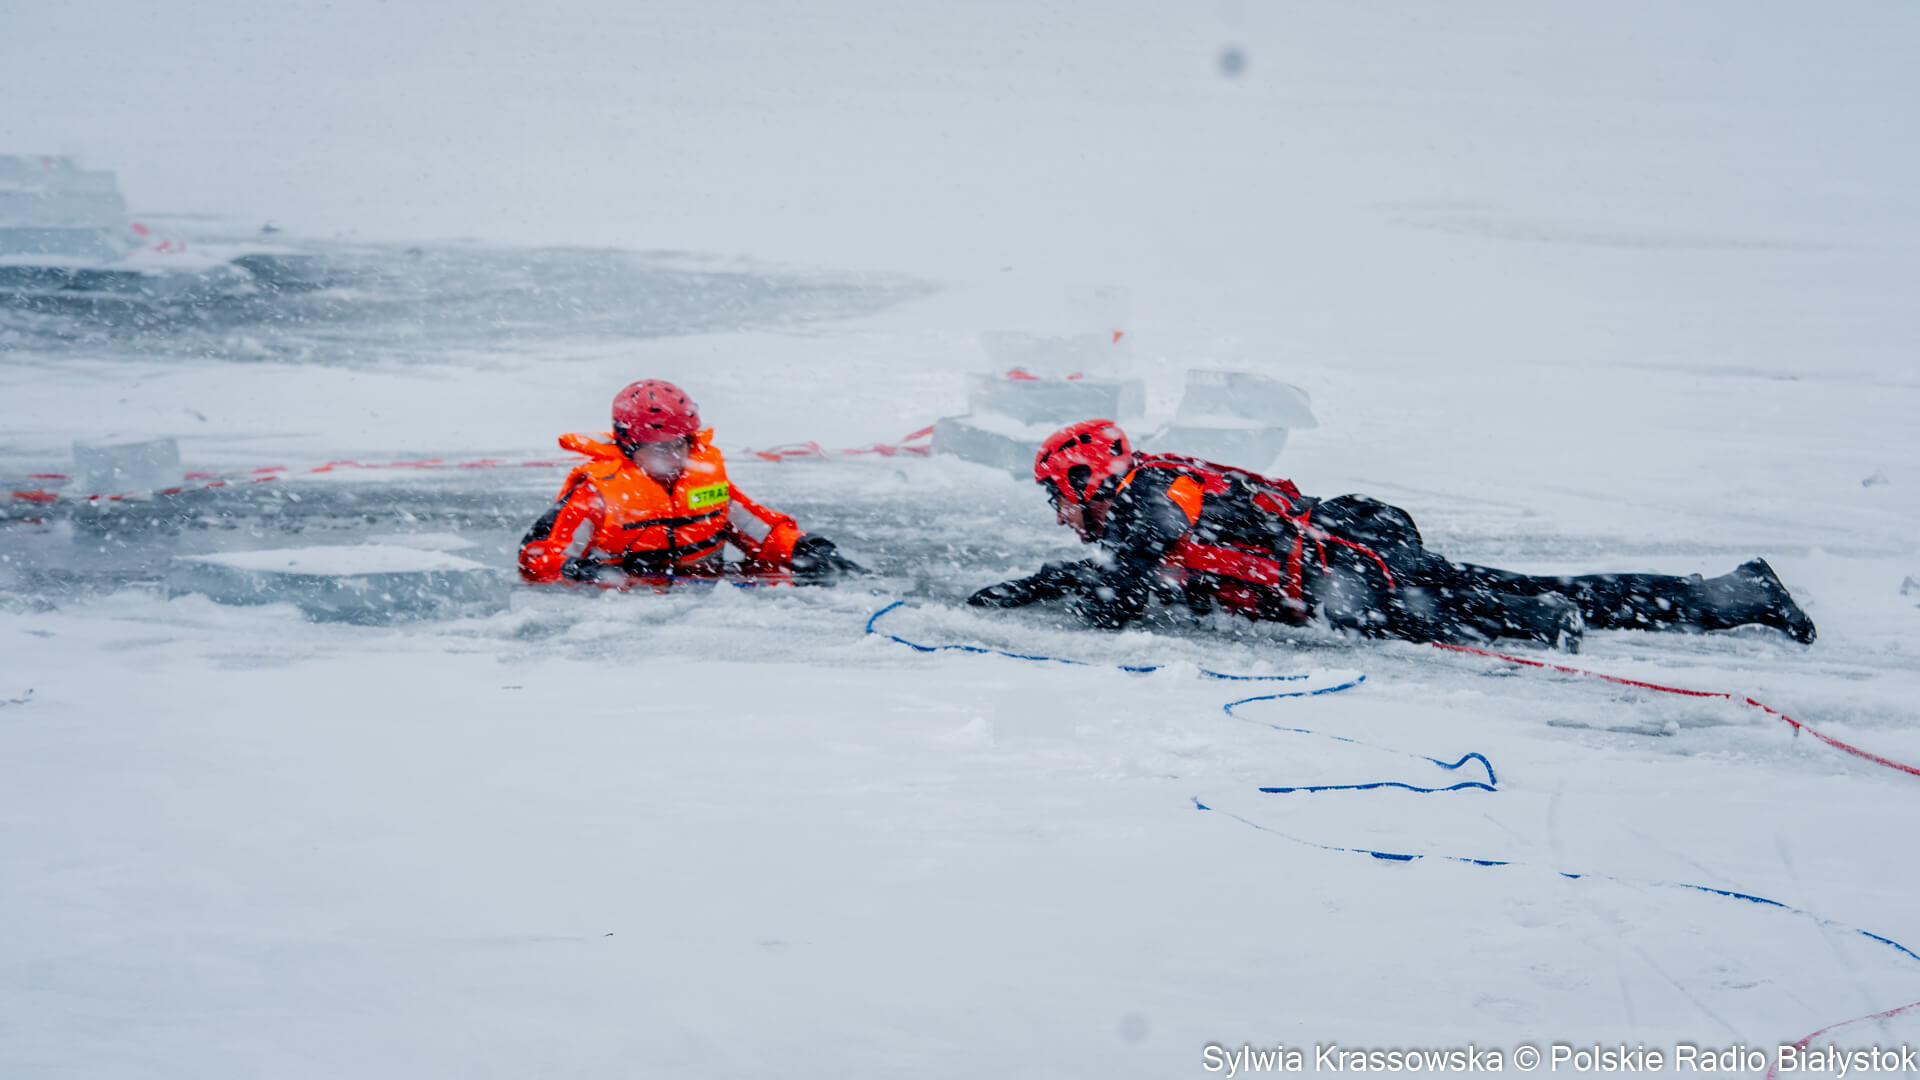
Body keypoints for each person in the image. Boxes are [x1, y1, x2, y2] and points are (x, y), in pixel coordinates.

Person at [966, 419, 1816, 652]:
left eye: (1058, 497)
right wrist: (1032, 587)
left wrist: (1070, 603)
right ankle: (1736, 593)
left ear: (1084, 479)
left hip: (1356, 568)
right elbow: (1134, 572)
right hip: (1355, 559)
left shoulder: (1152, 492)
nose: (1061, 516)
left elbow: (1128, 580)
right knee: (1532, 588)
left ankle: (1545, 615)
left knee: (1517, 606)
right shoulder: (1153, 494)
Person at [518, 380, 862, 584]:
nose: (672, 458)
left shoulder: (704, 481)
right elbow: (537, 556)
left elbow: (761, 531)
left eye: (679, 446)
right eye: (658, 450)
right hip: (618, 610)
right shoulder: (595, 495)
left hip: (701, 602)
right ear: (629, 447)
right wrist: (581, 571)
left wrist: (802, 547)